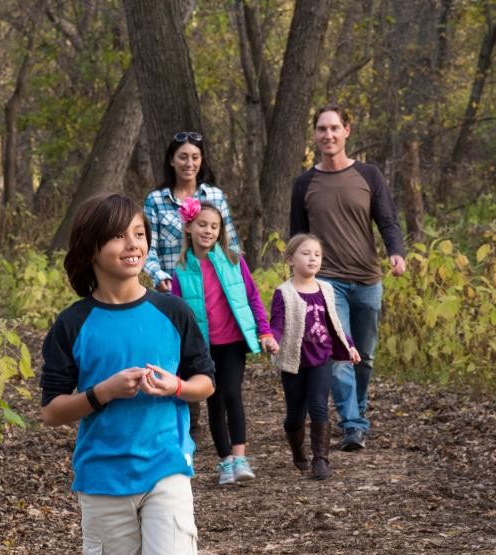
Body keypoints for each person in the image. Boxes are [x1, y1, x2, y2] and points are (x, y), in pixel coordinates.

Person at [39, 192, 215, 555]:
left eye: (139, 233)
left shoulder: (172, 310)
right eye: (119, 235)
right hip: (102, 479)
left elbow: (207, 381)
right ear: (91, 249)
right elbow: (52, 411)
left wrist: (178, 387)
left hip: (166, 469)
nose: (132, 244)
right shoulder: (72, 325)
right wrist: (103, 392)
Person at [289, 104, 406, 452]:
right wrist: (297, 277)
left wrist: (395, 252)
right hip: (326, 281)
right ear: (315, 135)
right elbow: (298, 234)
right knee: (340, 352)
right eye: (322, 129)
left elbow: (387, 220)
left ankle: (358, 409)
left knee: (365, 355)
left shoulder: (369, 175)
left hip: (368, 278)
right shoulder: (304, 183)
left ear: (346, 131)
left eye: (334, 128)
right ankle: (352, 424)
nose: (328, 135)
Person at [171, 198, 278, 486]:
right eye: (202, 225)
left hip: (232, 341)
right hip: (203, 347)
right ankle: (225, 462)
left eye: (214, 226)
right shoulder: (180, 270)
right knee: (214, 401)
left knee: (232, 392)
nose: (208, 230)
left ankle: (240, 456)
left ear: (220, 231)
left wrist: (264, 331)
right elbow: (177, 313)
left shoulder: (233, 260)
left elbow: (253, 297)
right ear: (189, 227)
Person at [269, 234, 359, 480]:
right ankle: (298, 450)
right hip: (294, 363)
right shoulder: (284, 293)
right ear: (290, 259)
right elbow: (277, 324)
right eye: (306, 253)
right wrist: (272, 340)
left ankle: (321, 459)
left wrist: (349, 346)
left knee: (319, 406)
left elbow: (335, 324)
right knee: (295, 414)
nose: (312, 258)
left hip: (321, 359)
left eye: (317, 255)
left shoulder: (326, 289)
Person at [143, 131, 240, 292]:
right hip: (172, 291)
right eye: (183, 157)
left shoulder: (216, 196)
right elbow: (147, 249)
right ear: (171, 160)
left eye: (195, 157)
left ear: (201, 160)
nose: (189, 163)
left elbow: (231, 245)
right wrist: (158, 276)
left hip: (213, 291)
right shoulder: (155, 200)